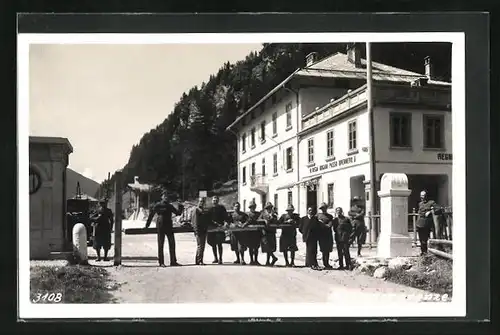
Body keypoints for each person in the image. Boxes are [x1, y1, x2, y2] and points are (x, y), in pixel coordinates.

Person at [144, 190, 184, 267]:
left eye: (167, 196)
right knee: (161, 244)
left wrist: (180, 206)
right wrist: (147, 225)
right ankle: (161, 262)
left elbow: (178, 213)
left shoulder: (169, 206)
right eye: (164, 196)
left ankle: (173, 261)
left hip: (168, 225)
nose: (166, 197)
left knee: (172, 244)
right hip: (161, 226)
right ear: (162, 197)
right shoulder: (158, 205)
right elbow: (151, 215)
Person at [207, 196, 228, 264]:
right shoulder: (210, 209)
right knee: (212, 243)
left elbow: (226, 216)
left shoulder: (221, 208)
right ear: (212, 201)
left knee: (219, 243)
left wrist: (226, 223)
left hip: (220, 227)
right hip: (212, 227)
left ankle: (220, 258)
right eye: (213, 200)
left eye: (216, 200)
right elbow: (208, 218)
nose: (215, 201)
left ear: (218, 201)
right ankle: (215, 258)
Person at [416, 190, 437, 255]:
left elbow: (438, 208)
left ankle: (425, 253)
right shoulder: (420, 204)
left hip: (426, 223)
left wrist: (430, 211)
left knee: (425, 239)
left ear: (426, 196)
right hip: (419, 223)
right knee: (421, 239)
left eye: (423, 195)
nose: (422, 197)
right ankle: (423, 252)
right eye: (421, 195)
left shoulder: (431, 202)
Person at [242, 200, 262, 265]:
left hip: (257, 233)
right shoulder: (247, 214)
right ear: (249, 207)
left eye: (253, 207)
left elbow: (260, 220)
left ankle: (256, 260)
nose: (252, 208)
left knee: (256, 247)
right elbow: (244, 221)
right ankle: (251, 260)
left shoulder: (258, 214)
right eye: (251, 207)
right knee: (250, 247)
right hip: (249, 233)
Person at [259, 202, 279, 266]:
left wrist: (272, 217)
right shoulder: (263, 214)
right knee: (266, 246)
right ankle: (273, 258)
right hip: (265, 232)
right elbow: (258, 220)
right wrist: (263, 220)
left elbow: (277, 221)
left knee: (270, 247)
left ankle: (268, 261)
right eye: (267, 208)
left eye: (270, 208)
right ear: (265, 209)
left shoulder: (274, 214)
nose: (269, 209)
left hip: (272, 232)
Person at [317, 202, 334, 269]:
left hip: (328, 234)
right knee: (323, 249)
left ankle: (326, 263)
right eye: (322, 208)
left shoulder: (330, 216)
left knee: (328, 249)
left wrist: (323, 224)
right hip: (321, 234)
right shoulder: (318, 215)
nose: (323, 209)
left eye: (324, 208)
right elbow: (315, 223)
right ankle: (324, 263)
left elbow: (330, 224)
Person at [192, 197, 208, 265]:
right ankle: (199, 260)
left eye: (203, 201)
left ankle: (199, 260)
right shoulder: (196, 210)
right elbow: (195, 221)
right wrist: (196, 231)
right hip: (199, 231)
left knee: (202, 246)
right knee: (200, 246)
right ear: (198, 202)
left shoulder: (202, 210)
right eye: (200, 201)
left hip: (204, 230)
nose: (201, 202)